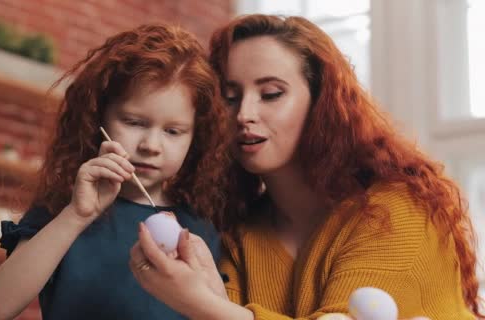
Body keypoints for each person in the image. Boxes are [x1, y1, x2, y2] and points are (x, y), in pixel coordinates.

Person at [129, 14, 484, 320]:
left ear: (322, 104)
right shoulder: (241, 235)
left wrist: (202, 305)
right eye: (230, 96)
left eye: (271, 94)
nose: (244, 115)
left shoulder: (395, 211)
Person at [0, 23, 231, 320]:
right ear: (97, 118)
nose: (151, 145)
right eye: (133, 122)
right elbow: (0, 305)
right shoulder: (65, 207)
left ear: (195, 138)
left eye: (173, 131)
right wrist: (77, 215)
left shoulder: (200, 228)